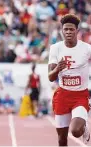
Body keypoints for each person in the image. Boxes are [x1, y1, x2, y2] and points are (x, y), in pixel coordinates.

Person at [48, 14, 91, 146]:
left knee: (76, 131)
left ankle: (84, 128)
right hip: (62, 95)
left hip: (80, 96)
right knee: (62, 139)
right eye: (65, 29)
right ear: (62, 30)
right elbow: (50, 77)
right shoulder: (56, 48)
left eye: (71, 29)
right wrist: (57, 69)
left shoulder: (87, 48)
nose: (68, 32)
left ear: (77, 31)